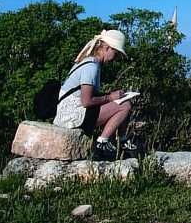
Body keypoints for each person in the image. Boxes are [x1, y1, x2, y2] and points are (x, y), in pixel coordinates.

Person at [53, 29, 136, 160]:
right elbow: (86, 101)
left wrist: (111, 97)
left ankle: (121, 140)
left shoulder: (88, 61)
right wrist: (110, 97)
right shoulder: (91, 67)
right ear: (107, 48)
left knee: (123, 101)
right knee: (125, 105)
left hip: (71, 110)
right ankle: (103, 142)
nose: (116, 57)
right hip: (72, 115)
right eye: (116, 53)